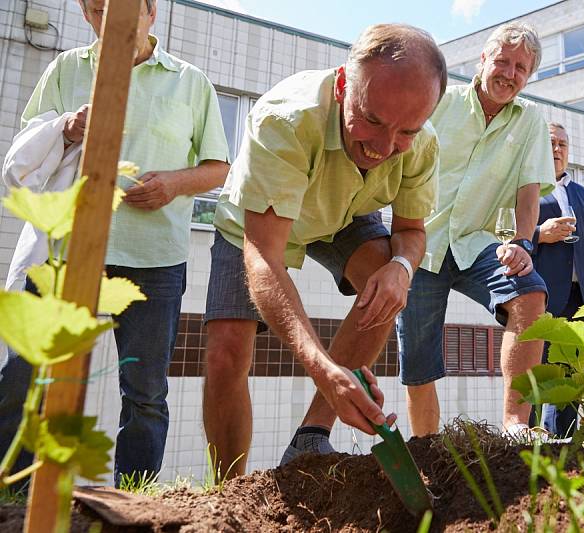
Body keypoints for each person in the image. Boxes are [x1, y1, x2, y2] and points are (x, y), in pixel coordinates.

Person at [0, 0, 230, 486]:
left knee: (145, 392)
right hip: (64, 250)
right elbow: (27, 143)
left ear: (151, 13)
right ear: (86, 15)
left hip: (154, 257)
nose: (108, 18)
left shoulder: (190, 82)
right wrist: (66, 127)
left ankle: (132, 501)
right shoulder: (67, 68)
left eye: (121, 8)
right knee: (24, 375)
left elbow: (217, 166)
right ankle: (12, 498)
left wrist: (172, 182)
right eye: (96, 9)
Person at [202, 23, 447, 476]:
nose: (383, 147)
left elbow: (411, 231)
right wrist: (323, 369)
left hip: (344, 215)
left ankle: (310, 437)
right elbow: (264, 255)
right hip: (260, 221)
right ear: (342, 85)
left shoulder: (422, 146)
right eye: (371, 120)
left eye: (405, 132)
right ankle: (230, 492)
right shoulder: (285, 119)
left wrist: (401, 267)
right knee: (225, 354)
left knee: (385, 289)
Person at [396, 22, 555, 438]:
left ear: (529, 75)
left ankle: (515, 425)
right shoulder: (440, 101)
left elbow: (528, 189)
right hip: (418, 241)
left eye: (521, 67)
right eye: (502, 61)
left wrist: (523, 242)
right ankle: (426, 446)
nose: (510, 73)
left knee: (528, 291)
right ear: (482, 60)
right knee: (417, 357)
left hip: (476, 242)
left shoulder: (531, 121)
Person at [527, 123, 584, 438]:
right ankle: (531, 441)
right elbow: (505, 237)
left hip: (582, 302)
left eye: (563, 144)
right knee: (538, 372)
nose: (557, 150)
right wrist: (540, 234)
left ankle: (564, 442)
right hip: (540, 296)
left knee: (574, 373)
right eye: (550, 143)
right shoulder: (525, 188)